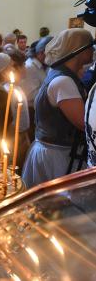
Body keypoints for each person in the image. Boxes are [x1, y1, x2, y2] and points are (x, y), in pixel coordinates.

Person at [23, 28, 93, 187]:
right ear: (79, 50)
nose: (93, 51)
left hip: (59, 151)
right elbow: (83, 123)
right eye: (90, 47)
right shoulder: (63, 81)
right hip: (58, 156)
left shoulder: (60, 73)